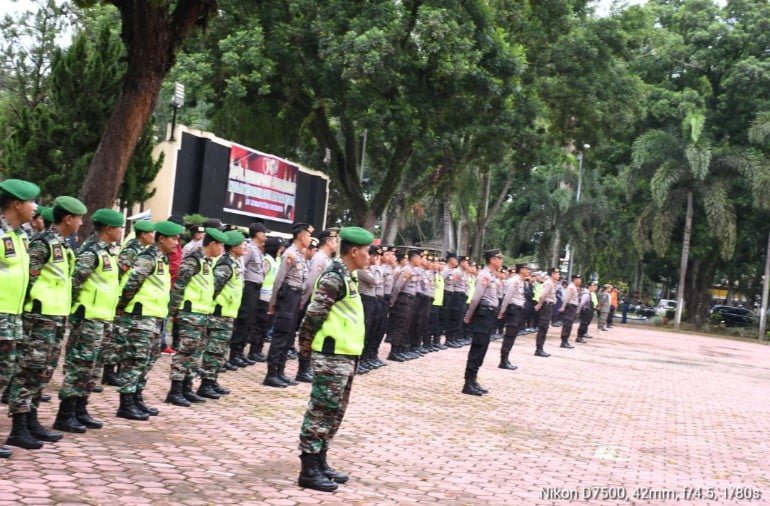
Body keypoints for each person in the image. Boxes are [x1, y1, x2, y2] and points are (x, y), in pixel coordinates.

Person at [296, 226, 373, 492]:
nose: (369, 257)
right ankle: (308, 469)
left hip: (345, 355)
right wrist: (304, 346)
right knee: (320, 411)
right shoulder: (333, 276)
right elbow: (314, 314)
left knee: (334, 413)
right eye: (366, 251)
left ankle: (320, 461)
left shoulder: (349, 276)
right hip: (331, 355)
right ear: (354, 251)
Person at [6, 196, 86, 450]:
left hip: (56, 316)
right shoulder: (43, 243)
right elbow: (29, 278)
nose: (82, 223)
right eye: (79, 218)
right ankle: (18, 427)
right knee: (29, 369)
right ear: (68, 219)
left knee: (44, 371)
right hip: (39, 317)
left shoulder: (61, 244)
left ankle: (31, 420)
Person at [54, 209, 124, 433]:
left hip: (103, 318)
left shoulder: (110, 252)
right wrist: (77, 310)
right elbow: (74, 283)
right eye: (120, 227)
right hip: (88, 318)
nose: (122, 231)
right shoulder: (91, 252)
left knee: (93, 368)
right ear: (109, 229)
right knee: (79, 366)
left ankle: (80, 409)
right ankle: (65, 414)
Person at [114, 220, 184, 420]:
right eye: (173, 238)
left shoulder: (162, 259)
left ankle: (137, 397)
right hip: (140, 317)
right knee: (135, 359)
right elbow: (131, 284)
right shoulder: (148, 257)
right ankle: (126, 403)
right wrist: (122, 307)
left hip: (154, 317)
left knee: (147, 359)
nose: (177, 243)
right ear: (161, 239)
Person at [0, 179, 40, 458]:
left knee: (4, 377)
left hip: (13, 317)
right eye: (31, 202)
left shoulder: (20, 236)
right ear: (16, 204)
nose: (35, 207)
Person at [164, 228, 226, 407]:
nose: (222, 249)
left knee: (195, 353)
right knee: (185, 352)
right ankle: (175, 390)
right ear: (212, 244)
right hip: (190, 313)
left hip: (201, 314)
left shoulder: (207, 262)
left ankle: (186, 387)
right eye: (220, 245)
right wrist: (172, 312)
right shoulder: (193, 261)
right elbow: (179, 287)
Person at [198, 230, 246, 399]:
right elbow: (215, 287)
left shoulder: (234, 262)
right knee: (213, 350)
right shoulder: (225, 264)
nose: (245, 246)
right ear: (233, 247)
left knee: (220, 350)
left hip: (227, 313)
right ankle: (206, 383)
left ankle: (212, 380)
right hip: (219, 313)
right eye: (241, 244)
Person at [264, 223, 313, 388]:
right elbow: (278, 281)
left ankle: (280, 371)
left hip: (295, 297)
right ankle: (271, 374)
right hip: (287, 297)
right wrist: (273, 303)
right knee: (281, 334)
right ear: (300, 236)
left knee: (289, 335)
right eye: (308, 235)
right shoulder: (290, 254)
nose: (309, 239)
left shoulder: (300, 255)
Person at [297, 229, 338, 381]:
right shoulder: (320, 258)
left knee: (314, 336)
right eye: (335, 241)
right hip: (313, 300)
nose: (336, 244)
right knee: (308, 335)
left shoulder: (327, 259)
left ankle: (307, 368)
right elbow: (311, 283)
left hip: (319, 301)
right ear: (328, 241)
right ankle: (302, 370)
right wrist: (303, 302)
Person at [462, 249, 503, 396]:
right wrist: (469, 314)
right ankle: (468, 382)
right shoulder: (484, 275)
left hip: (489, 315)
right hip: (482, 315)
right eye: (499, 258)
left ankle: (473, 379)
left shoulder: (491, 276)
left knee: (483, 348)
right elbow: (475, 297)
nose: (501, 261)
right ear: (492, 260)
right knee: (477, 347)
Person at [229, 222, 268, 368]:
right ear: (258, 234)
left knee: (250, 320)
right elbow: (241, 266)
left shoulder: (257, 249)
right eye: (264, 232)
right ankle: (235, 353)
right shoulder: (249, 249)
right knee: (244, 319)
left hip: (256, 288)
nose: (265, 235)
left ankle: (240, 353)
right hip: (249, 287)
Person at [497, 263, 530, 370]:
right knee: (509, 335)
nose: (528, 271)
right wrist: (502, 311)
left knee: (513, 335)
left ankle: (506, 358)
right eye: (527, 269)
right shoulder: (514, 281)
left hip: (518, 310)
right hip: (513, 310)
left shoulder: (521, 281)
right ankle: (503, 360)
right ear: (521, 270)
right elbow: (507, 297)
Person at [534, 268, 562, 357]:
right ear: (553, 274)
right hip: (546, 306)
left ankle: (540, 348)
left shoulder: (552, 283)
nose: (558, 275)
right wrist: (539, 305)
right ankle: (539, 349)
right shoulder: (549, 283)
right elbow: (542, 295)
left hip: (549, 306)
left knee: (545, 327)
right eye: (557, 274)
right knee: (543, 327)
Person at [559, 275, 582, 347]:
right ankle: (564, 341)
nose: (580, 281)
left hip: (573, 307)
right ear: (574, 280)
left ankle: (566, 341)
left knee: (569, 324)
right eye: (578, 279)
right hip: (570, 307)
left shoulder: (574, 287)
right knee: (567, 324)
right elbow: (566, 297)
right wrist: (563, 307)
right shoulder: (571, 287)